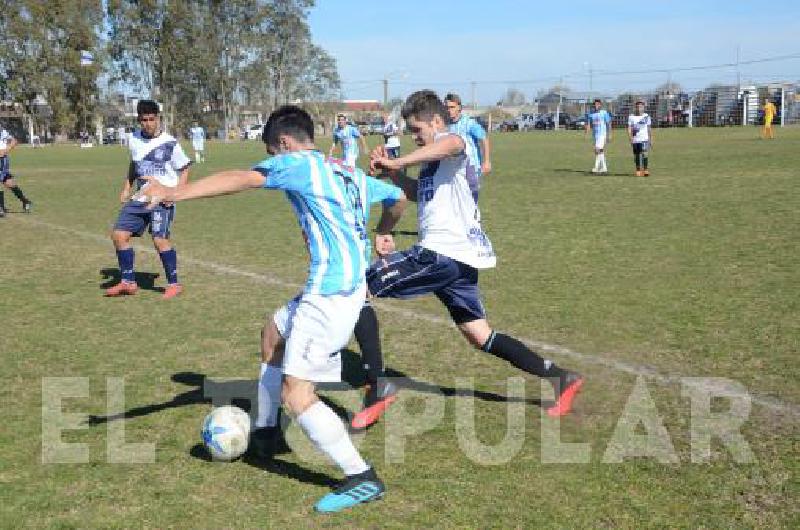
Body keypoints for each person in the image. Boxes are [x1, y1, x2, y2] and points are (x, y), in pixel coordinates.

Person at [138, 105, 407, 513]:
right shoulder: (345, 171)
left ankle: (362, 476)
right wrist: (384, 231)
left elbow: (242, 178)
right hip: (343, 286)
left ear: (282, 144)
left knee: (297, 394)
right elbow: (397, 196)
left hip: (330, 294)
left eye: (271, 152)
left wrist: (172, 192)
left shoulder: (298, 164)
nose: (271, 160)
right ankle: (265, 432)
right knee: (272, 334)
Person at [369, 90, 584, 418]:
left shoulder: (453, 142)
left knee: (355, 287)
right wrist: (394, 174)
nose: (414, 137)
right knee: (479, 334)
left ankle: (373, 383)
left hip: (440, 254)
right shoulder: (431, 162)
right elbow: (418, 194)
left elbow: (452, 143)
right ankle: (562, 378)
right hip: (459, 260)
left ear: (437, 121)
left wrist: (398, 160)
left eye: (417, 130)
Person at [104, 100, 191, 300]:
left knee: (159, 239)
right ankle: (128, 282)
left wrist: (176, 193)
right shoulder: (133, 139)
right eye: (144, 120)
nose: (148, 124)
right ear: (139, 120)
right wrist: (127, 186)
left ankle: (174, 284)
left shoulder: (170, 143)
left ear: (158, 119)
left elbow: (185, 167)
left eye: (152, 119)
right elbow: (134, 164)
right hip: (141, 196)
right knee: (119, 235)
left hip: (163, 197)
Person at [444, 93, 491, 201]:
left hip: (471, 170)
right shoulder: (446, 126)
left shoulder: (469, 123)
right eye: (447, 107)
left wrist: (487, 161)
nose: (449, 110)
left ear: (459, 107)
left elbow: (484, 138)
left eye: (452, 107)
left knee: (470, 203)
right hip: (453, 171)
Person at [0, 124, 33, 217]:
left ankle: (1, 208)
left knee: (6, 181)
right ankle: (25, 202)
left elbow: (14, 141)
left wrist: (6, 150)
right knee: (9, 183)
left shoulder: (2, 131)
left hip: (1, 161)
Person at [585, 98, 613, 174]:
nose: (596, 105)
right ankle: (604, 168)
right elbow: (589, 124)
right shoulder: (591, 114)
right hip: (595, 135)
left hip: (602, 134)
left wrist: (610, 134)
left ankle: (596, 167)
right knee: (600, 151)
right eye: (595, 104)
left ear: (600, 105)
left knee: (597, 150)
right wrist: (586, 133)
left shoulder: (604, 113)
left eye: (597, 104)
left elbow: (609, 123)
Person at [627, 100, 652, 177]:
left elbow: (649, 128)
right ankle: (638, 170)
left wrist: (650, 139)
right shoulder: (631, 117)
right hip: (635, 139)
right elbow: (629, 128)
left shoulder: (646, 116)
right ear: (635, 107)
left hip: (644, 138)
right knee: (637, 155)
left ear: (643, 107)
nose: (639, 108)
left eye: (640, 107)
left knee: (645, 153)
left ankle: (645, 170)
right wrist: (630, 137)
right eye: (637, 107)